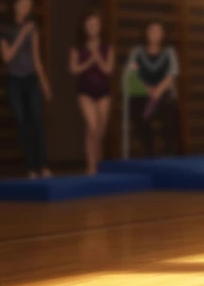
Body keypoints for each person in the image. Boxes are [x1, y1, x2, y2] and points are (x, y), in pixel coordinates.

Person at [0, 0, 51, 178]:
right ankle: (30, 168)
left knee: (37, 121)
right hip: (14, 80)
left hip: (31, 79)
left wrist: (44, 83)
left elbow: (36, 58)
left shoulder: (33, 27)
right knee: (22, 122)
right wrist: (22, 35)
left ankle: (43, 165)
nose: (26, 7)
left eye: (29, 4)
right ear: (15, 4)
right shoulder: (5, 28)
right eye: (23, 3)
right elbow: (7, 57)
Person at [124, 21, 180, 157]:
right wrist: (147, 89)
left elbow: (172, 73)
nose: (154, 34)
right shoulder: (137, 52)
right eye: (151, 31)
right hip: (143, 94)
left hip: (163, 94)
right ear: (146, 33)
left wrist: (158, 91)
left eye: (158, 31)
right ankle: (149, 152)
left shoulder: (169, 52)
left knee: (169, 114)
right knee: (138, 112)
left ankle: (169, 153)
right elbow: (131, 73)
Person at [70, 9, 114, 175]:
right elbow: (73, 69)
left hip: (104, 92)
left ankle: (98, 162)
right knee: (92, 125)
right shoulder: (77, 47)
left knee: (99, 131)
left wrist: (99, 59)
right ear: (84, 27)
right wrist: (89, 61)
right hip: (85, 92)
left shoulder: (107, 47)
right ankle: (91, 166)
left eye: (95, 24)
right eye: (89, 24)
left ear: (100, 26)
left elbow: (109, 69)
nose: (92, 27)